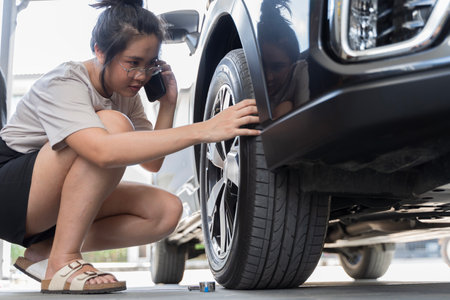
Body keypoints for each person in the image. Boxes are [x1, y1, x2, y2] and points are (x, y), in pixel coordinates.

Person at [0, 0, 259, 294]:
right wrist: (205, 129)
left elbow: (152, 163)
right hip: (11, 196)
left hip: (51, 201)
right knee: (113, 127)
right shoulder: (65, 82)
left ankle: (44, 252)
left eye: (150, 65)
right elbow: (103, 151)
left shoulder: (126, 92)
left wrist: (167, 105)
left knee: (165, 211)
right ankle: (63, 260)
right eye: (132, 63)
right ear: (99, 51)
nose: (141, 76)